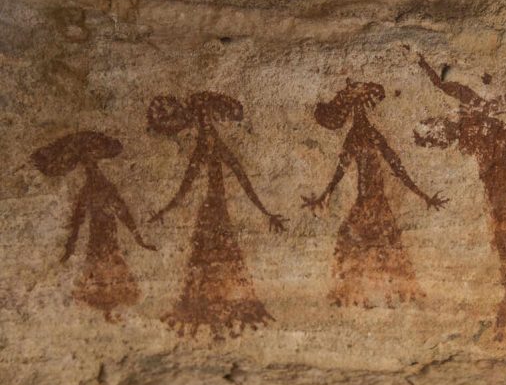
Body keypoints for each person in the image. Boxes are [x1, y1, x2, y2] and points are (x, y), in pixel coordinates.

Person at [147, 92, 287, 338]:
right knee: (212, 261)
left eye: (206, 120)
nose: (205, 126)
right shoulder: (208, 146)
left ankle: (221, 316)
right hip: (213, 213)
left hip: (215, 213)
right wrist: (165, 210)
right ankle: (217, 317)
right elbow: (190, 185)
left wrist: (266, 212)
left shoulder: (210, 145)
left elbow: (238, 179)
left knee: (213, 261)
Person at [302, 79, 447, 307]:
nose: (358, 113)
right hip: (370, 199)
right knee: (373, 244)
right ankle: (369, 295)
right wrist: (324, 195)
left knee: (363, 243)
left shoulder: (363, 134)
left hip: (371, 199)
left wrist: (423, 195)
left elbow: (393, 167)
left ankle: (373, 294)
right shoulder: (364, 134)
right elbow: (389, 167)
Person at [32, 131, 154, 321]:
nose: (91, 166)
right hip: (102, 239)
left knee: (104, 264)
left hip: (103, 239)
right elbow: (81, 222)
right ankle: (105, 298)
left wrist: (140, 240)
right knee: (105, 265)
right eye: (88, 162)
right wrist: (69, 249)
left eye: (92, 161)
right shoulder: (92, 190)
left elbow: (118, 214)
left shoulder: (95, 189)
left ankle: (106, 298)